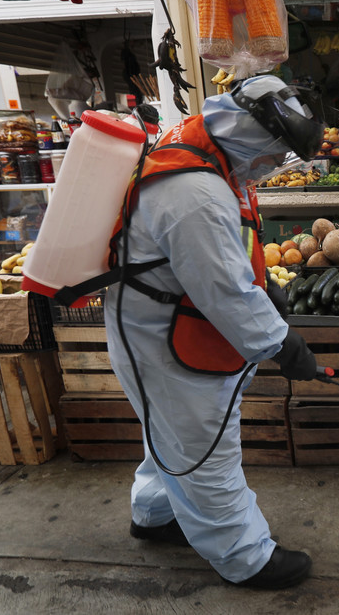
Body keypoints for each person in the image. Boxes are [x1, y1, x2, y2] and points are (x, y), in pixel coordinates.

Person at [104, 75, 321, 590]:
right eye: (275, 155)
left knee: (172, 433)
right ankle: (244, 556)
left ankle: (155, 515)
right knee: (205, 447)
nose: (274, 167)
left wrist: (267, 291)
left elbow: (221, 264)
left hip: (158, 322)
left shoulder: (208, 151)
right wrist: (283, 344)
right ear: (255, 136)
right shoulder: (194, 192)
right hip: (164, 337)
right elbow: (224, 291)